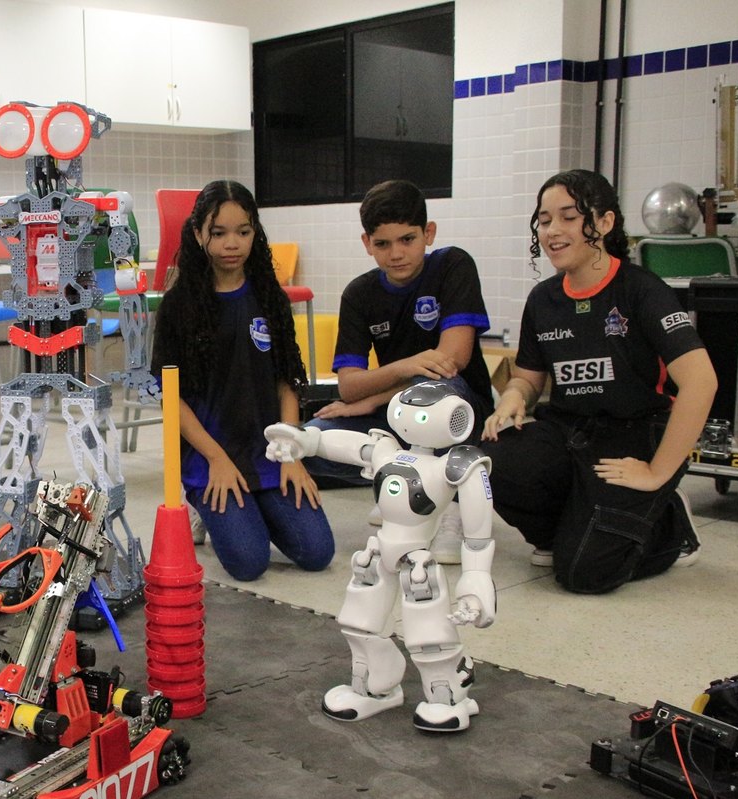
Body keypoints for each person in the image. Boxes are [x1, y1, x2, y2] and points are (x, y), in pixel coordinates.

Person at [481, 169, 716, 594]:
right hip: (571, 430)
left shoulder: (642, 290)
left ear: (604, 223)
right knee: (488, 460)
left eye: (569, 217)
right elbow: (529, 378)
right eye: (545, 219)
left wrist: (656, 472)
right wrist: (513, 397)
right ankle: (567, 531)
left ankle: (669, 525)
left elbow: (701, 382)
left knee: (585, 575)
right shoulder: (544, 299)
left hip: (635, 435)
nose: (553, 230)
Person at [151, 179, 334, 582]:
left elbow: (287, 380)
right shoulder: (179, 306)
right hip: (210, 455)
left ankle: (251, 508)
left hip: (266, 450)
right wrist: (216, 459)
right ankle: (208, 506)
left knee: (318, 552)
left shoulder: (269, 297)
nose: (231, 243)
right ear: (199, 234)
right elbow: (172, 396)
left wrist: (290, 451)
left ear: (255, 233)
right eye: (219, 233)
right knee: (250, 563)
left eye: (243, 232)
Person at [303, 179, 493, 562]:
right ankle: (398, 490)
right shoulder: (359, 293)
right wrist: (397, 372)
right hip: (395, 415)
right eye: (383, 244)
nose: (396, 254)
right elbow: (348, 385)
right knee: (312, 440)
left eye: (407, 240)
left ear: (429, 233)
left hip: (456, 411)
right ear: (366, 243)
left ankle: (448, 509)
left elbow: (450, 360)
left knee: (440, 395)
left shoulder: (453, 265)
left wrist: (373, 396)